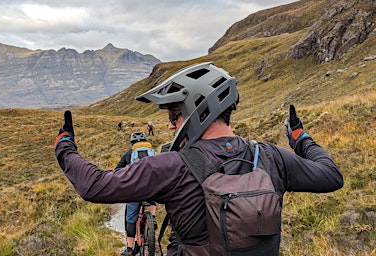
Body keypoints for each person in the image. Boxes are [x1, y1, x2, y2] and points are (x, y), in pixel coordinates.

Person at [53, 62, 343, 255]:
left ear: (198, 111)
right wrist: (301, 138)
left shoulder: (172, 166)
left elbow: (95, 186)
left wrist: (65, 146)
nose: (169, 125)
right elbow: (331, 176)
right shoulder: (270, 156)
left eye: (173, 115)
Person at [116, 131, 157, 256]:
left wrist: (125, 175)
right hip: (152, 188)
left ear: (133, 143)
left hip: (135, 189)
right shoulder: (153, 152)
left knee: (131, 216)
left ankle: (129, 248)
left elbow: (118, 168)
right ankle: (152, 218)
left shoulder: (130, 153)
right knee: (153, 194)